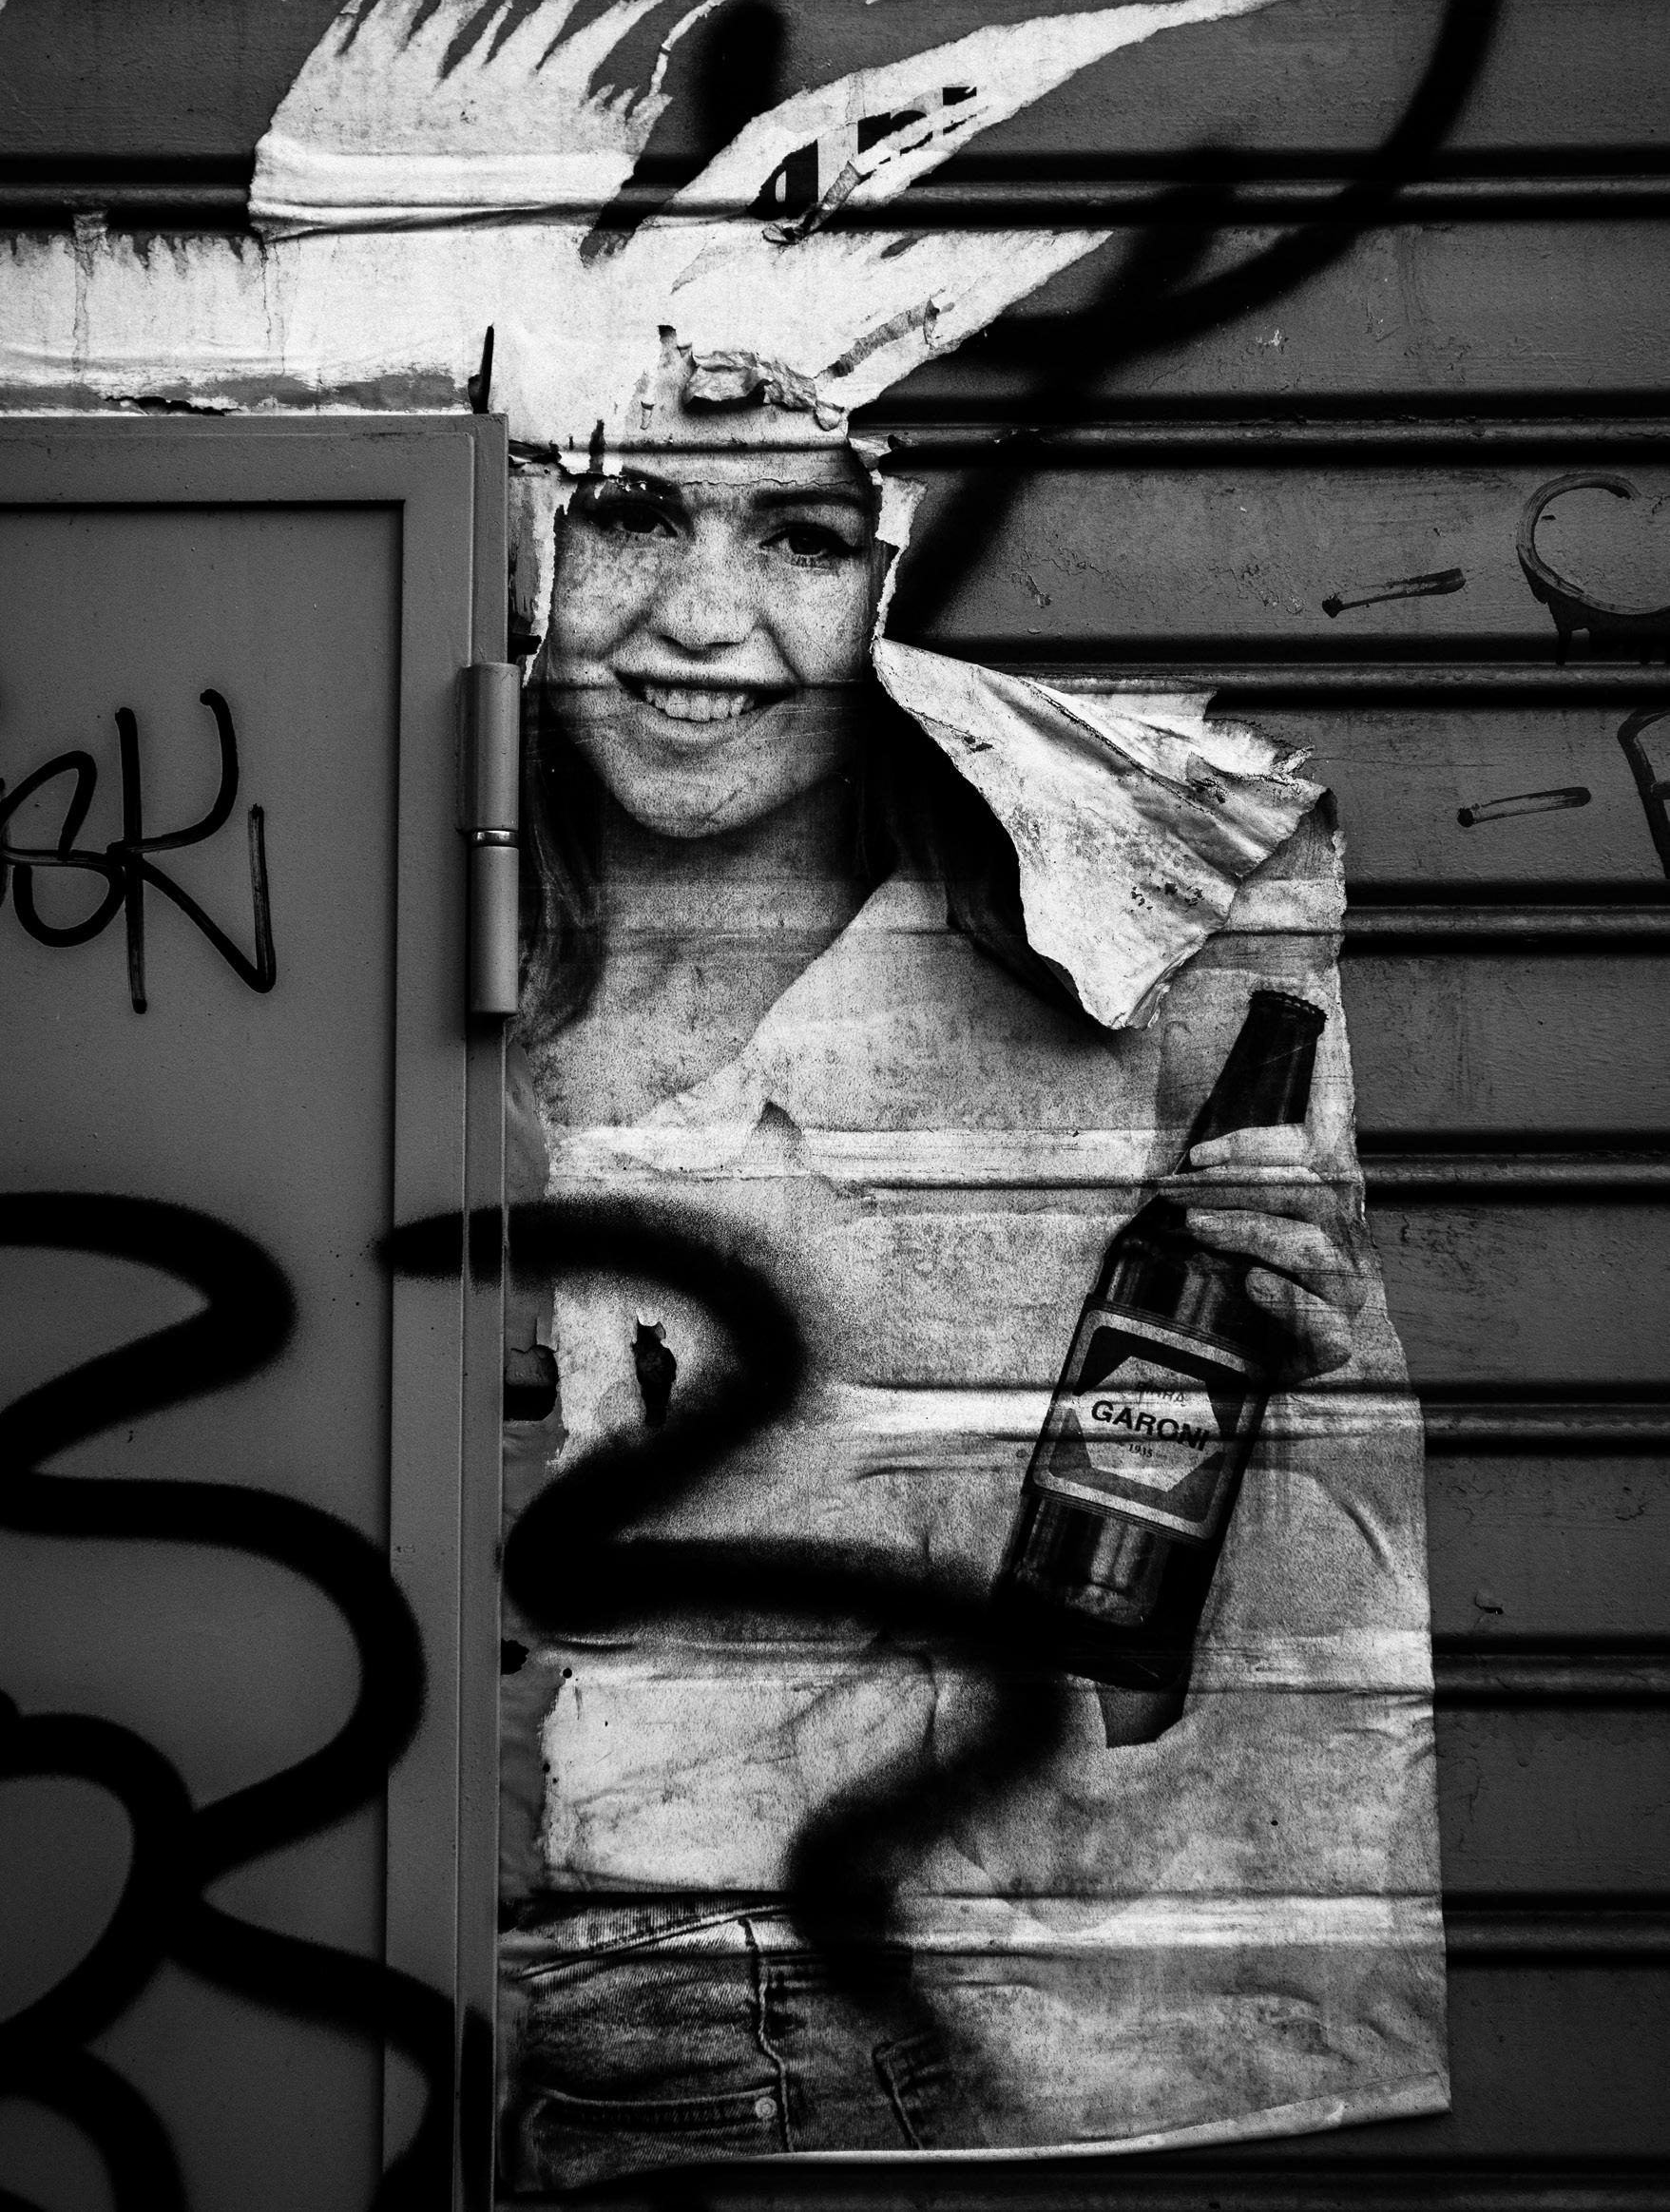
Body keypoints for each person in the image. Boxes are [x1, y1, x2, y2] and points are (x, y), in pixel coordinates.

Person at [495, 355, 1419, 2193]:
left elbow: (1263, 1698)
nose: (704, 618)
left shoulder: (1114, 993)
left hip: (921, 2019)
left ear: (900, 578)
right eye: (629, 512)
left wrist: (1298, 1405)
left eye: (803, 536)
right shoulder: (398, 964)